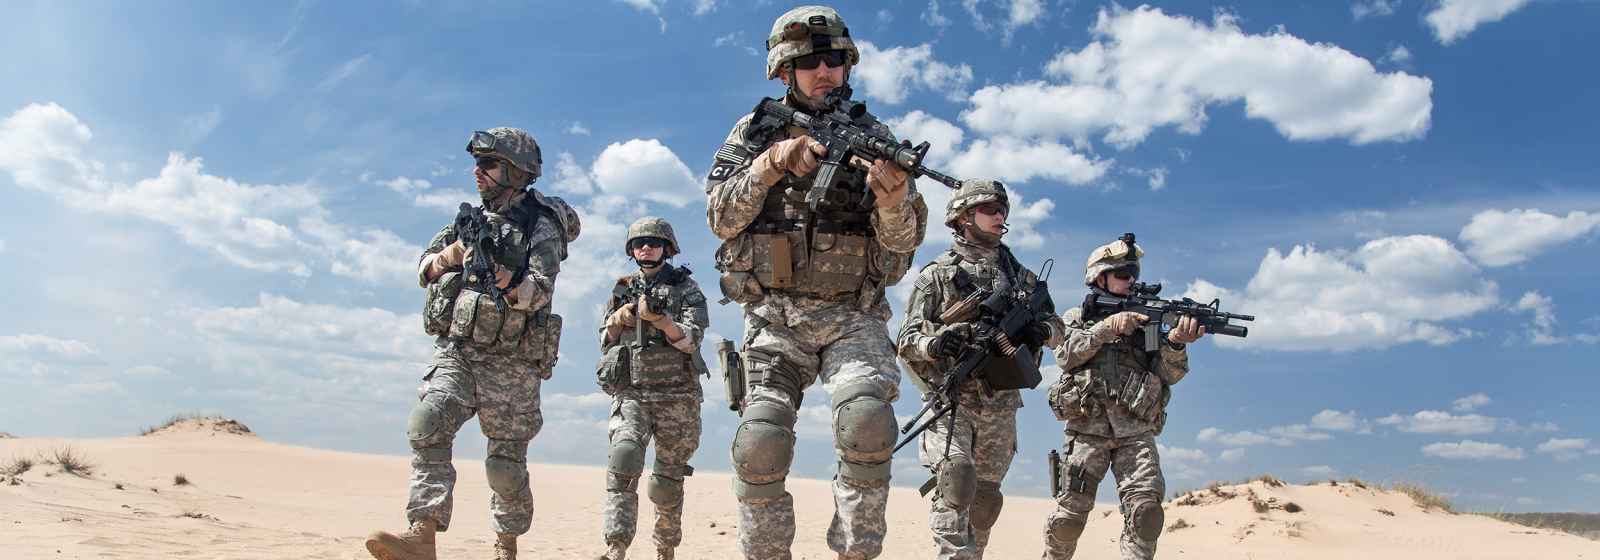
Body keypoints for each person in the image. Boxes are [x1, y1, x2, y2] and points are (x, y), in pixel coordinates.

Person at [703, 5, 930, 559]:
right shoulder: (754, 132)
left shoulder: (876, 137)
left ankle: (856, 552)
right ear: (785, 69)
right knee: (760, 442)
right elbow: (721, 218)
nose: (825, 71)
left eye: (834, 61)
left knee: (868, 423)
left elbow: (903, 244)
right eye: (810, 62)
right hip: (774, 316)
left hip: (852, 317)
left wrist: (895, 201)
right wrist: (773, 162)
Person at [366, 127, 580, 560]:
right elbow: (423, 268)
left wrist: (504, 280)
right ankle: (421, 534)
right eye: (477, 163)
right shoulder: (468, 221)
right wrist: (451, 257)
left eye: (488, 163)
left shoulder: (540, 225)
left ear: (517, 172)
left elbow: (540, 288)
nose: (477, 172)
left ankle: (506, 546)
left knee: (504, 467)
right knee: (428, 422)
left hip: (512, 361)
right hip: (459, 351)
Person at [896, 179, 1064, 559]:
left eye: (1002, 209)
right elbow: (907, 339)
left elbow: (1058, 329)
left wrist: (1043, 330)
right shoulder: (936, 275)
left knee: (984, 501)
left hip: (1001, 404)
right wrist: (936, 343)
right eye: (989, 208)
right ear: (963, 217)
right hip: (952, 402)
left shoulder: (1022, 278)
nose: (999, 215)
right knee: (956, 482)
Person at [1041, 234, 1205, 560]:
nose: (1130, 281)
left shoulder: (1148, 322)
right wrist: (1104, 330)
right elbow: (1065, 356)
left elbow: (1168, 375)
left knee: (1146, 516)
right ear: (1099, 277)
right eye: (1122, 275)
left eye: (1133, 275)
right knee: (1068, 521)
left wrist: (1174, 342)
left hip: (1136, 433)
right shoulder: (1078, 317)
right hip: (1087, 432)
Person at [595, 217, 710, 560]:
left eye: (654, 242)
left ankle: (665, 549)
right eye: (639, 243)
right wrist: (618, 320)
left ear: (668, 248)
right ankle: (615, 548)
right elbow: (605, 341)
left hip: (678, 395)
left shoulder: (686, 288)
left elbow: (692, 341)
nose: (646, 247)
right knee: (624, 459)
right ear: (631, 250)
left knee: (667, 481)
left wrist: (662, 322)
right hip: (633, 391)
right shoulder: (621, 288)